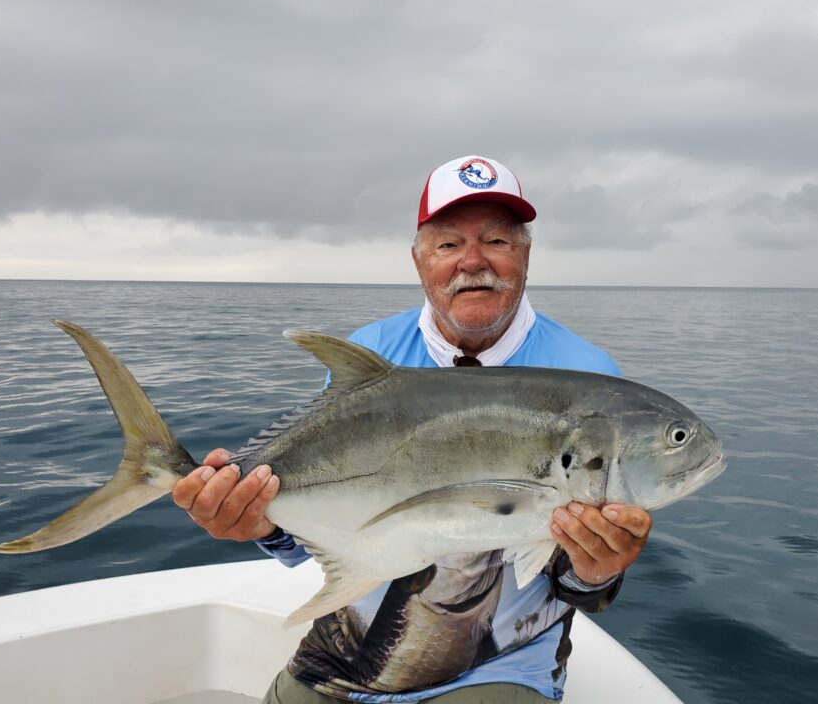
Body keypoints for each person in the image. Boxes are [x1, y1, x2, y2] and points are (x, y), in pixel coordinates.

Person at [172, 156, 653, 703]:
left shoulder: (587, 378)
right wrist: (255, 522)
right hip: (345, 653)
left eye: (496, 240)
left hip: (500, 663)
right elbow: (322, 531)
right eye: (448, 245)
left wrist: (598, 573)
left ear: (525, 253)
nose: (473, 262)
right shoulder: (372, 352)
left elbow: (576, 582)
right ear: (419, 260)